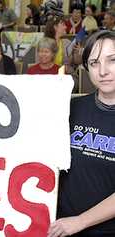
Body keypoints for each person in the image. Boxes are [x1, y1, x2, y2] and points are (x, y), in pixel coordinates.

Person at [48, 30, 115, 237]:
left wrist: (80, 222)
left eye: (112, 60)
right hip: (60, 226)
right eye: (94, 63)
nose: (103, 71)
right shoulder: (71, 107)